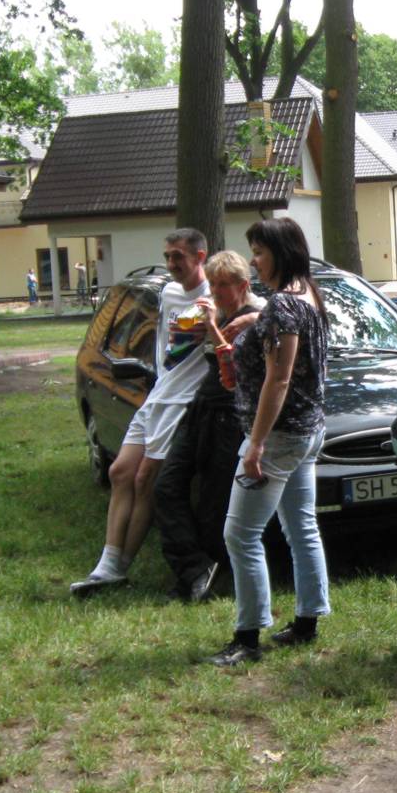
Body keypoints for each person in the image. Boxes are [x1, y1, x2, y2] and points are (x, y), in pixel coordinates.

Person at [208, 219, 330, 666]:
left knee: (240, 534)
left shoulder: (282, 305)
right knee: (301, 526)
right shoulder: (308, 292)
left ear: (281, 252)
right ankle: (307, 620)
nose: (254, 260)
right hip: (309, 430)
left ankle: (247, 637)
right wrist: (255, 319)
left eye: (259, 252)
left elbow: (278, 380)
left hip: (280, 437)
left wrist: (256, 445)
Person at [71, 229, 210, 596]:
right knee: (119, 471)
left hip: (181, 403)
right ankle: (107, 564)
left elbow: (252, 309)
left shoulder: (214, 297)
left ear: (200, 256)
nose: (171, 263)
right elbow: (165, 352)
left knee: (145, 479)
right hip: (157, 397)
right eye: (167, 256)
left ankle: (118, 567)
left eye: (178, 256)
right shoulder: (168, 293)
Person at [153, 251, 263, 601]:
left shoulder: (255, 315)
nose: (215, 291)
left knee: (214, 501)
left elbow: (233, 368)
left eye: (223, 285)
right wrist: (187, 331)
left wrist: (213, 327)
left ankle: (206, 577)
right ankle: (194, 567)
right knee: (167, 486)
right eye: (212, 284)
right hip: (201, 407)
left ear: (242, 285)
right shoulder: (214, 311)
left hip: (231, 414)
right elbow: (174, 354)